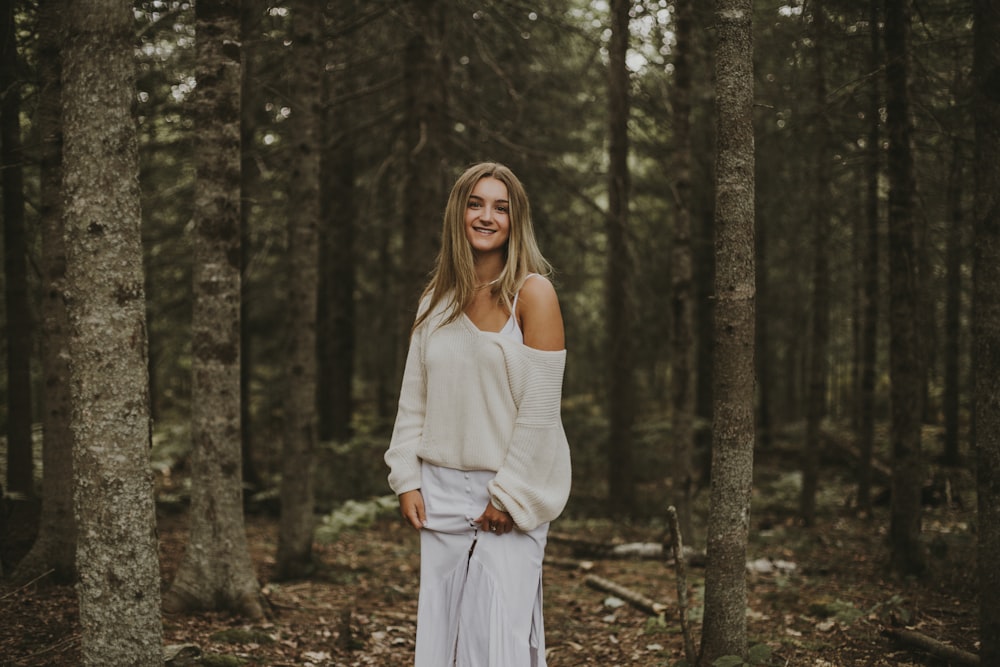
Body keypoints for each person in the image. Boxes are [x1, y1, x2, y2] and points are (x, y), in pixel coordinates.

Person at [385, 162, 572, 666]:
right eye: (476, 203)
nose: (486, 216)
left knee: (497, 640)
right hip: (440, 493)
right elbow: (413, 400)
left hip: (511, 494)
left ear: (516, 220)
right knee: (442, 638)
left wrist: (507, 496)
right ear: (458, 214)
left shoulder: (532, 295)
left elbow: (540, 411)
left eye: (500, 207)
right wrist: (405, 477)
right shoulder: (436, 301)